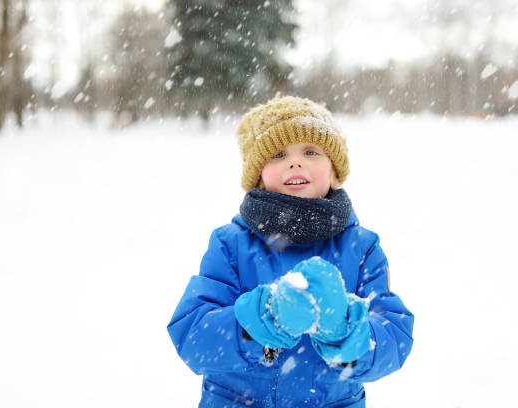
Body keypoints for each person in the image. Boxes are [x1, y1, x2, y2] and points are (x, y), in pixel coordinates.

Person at [167, 96, 414, 408]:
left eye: (311, 151)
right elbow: (193, 334)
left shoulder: (362, 248)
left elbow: (394, 336)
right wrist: (260, 320)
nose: (295, 162)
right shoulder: (230, 244)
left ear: (334, 170)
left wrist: (346, 331)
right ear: (258, 176)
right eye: (278, 153)